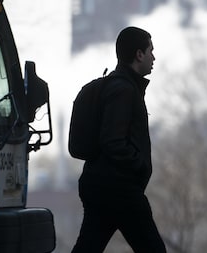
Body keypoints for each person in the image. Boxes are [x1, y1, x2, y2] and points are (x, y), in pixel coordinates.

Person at [71, 26, 166, 253]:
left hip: (100, 184)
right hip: (120, 189)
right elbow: (113, 141)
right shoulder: (124, 90)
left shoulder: (119, 86)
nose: (154, 57)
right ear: (139, 54)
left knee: (87, 248)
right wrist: (139, 166)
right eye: (150, 50)